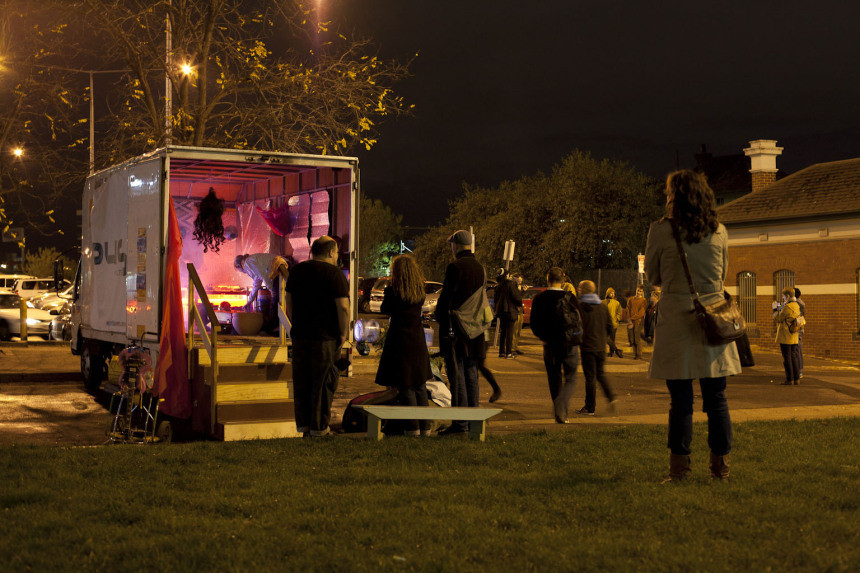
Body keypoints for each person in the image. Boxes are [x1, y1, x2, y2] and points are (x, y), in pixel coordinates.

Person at [644, 169, 741, 482]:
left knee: (680, 401)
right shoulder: (719, 230)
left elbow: (653, 276)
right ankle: (720, 469)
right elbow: (722, 274)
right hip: (714, 318)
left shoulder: (661, 230)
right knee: (717, 399)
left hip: (676, 318)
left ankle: (679, 470)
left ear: (674, 196)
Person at [284, 236, 349, 437]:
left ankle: (304, 427)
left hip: (300, 335)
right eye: (336, 252)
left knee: (302, 382)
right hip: (325, 337)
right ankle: (319, 429)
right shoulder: (335, 274)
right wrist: (343, 334)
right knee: (322, 384)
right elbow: (343, 308)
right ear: (331, 252)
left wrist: (296, 323)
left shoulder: (297, 271)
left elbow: (288, 300)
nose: (337, 256)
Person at [374, 254, 434, 436]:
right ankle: (426, 427)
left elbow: (385, 309)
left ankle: (412, 427)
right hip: (417, 339)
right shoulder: (419, 291)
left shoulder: (394, 291)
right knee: (419, 384)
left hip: (400, 340)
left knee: (405, 385)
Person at [435, 230, 486, 435]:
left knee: (457, 376)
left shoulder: (455, 267)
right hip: (476, 331)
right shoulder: (481, 268)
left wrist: (440, 318)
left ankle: (460, 424)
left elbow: (446, 299)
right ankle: (473, 422)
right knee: (472, 375)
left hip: (457, 330)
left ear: (455, 245)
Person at [529, 266, 581, 424]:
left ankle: (561, 413)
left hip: (550, 344)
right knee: (570, 378)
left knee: (554, 378)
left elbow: (534, 323)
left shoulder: (539, 298)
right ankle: (561, 407)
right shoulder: (570, 297)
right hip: (569, 343)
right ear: (563, 280)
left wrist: (543, 337)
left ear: (548, 280)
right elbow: (579, 320)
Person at [576, 280, 616, 416]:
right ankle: (611, 397)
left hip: (588, 347)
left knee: (590, 378)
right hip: (600, 346)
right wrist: (603, 337)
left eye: (579, 288)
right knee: (600, 374)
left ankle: (590, 407)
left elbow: (577, 326)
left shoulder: (581, 307)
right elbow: (610, 326)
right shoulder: (602, 306)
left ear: (583, 290)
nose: (578, 290)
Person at [234, 253, 292, 333]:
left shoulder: (248, 262)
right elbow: (256, 284)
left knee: (276, 302)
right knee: (277, 301)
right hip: (282, 266)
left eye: (239, 270)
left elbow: (263, 275)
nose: (243, 272)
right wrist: (249, 301)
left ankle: (276, 328)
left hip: (281, 266)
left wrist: (271, 289)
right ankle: (277, 327)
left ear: (239, 265)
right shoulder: (251, 262)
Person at [773, 287, 802, 386]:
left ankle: (789, 379)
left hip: (786, 335)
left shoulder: (787, 307)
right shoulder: (796, 305)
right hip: (794, 335)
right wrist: (781, 307)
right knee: (794, 357)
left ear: (788, 296)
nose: (783, 297)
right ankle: (796, 378)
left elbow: (778, 319)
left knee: (787, 358)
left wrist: (774, 309)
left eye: (784, 296)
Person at [493, 269, 522, 359]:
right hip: (510, 310)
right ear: (506, 275)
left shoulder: (498, 286)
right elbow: (516, 297)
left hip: (501, 311)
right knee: (510, 332)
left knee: (503, 331)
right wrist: (519, 303)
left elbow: (495, 300)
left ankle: (501, 352)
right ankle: (508, 353)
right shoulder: (510, 284)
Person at [626, 286, 647, 359]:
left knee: (637, 339)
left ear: (642, 292)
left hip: (638, 322)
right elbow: (627, 309)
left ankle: (639, 354)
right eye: (638, 290)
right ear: (636, 290)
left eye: (640, 291)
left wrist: (632, 318)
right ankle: (635, 354)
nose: (638, 292)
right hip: (630, 322)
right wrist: (629, 320)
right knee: (632, 339)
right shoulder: (631, 299)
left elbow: (642, 312)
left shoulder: (644, 300)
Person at [602, 288, 623, 358]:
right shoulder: (603, 302)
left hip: (613, 323)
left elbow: (619, 312)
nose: (612, 294)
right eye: (611, 293)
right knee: (605, 338)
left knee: (612, 339)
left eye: (613, 293)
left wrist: (617, 319)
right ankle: (617, 350)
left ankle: (611, 352)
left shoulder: (617, 303)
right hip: (605, 324)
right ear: (607, 293)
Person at [510, 272, 525, 355]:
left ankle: (515, 347)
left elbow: (519, 298)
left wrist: (523, 291)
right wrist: (522, 291)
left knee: (518, 331)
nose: (520, 282)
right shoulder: (513, 287)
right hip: (515, 311)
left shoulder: (518, 287)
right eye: (519, 280)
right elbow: (516, 298)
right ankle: (512, 348)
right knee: (514, 331)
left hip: (520, 311)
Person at [794, 287, 805, 378]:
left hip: (797, 329)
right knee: (798, 350)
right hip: (800, 328)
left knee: (797, 350)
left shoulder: (797, 304)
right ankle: (799, 370)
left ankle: (799, 370)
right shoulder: (801, 303)